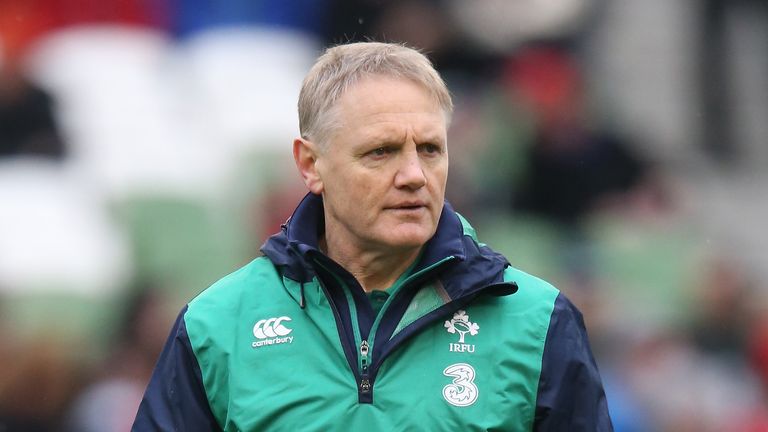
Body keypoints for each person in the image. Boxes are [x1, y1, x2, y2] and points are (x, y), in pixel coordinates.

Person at [132, 41, 612, 431]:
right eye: (381, 152)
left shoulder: (539, 322)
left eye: (429, 149)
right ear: (310, 165)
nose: (413, 175)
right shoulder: (217, 328)